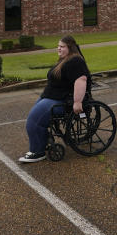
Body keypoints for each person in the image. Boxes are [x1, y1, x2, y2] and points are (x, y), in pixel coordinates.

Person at [19, 35, 91, 163]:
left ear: (70, 48)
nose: (59, 48)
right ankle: (42, 143)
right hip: (52, 96)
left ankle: (37, 152)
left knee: (33, 121)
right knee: (35, 119)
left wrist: (78, 102)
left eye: (62, 46)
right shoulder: (65, 59)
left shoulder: (75, 61)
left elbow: (81, 79)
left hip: (61, 100)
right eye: (58, 46)